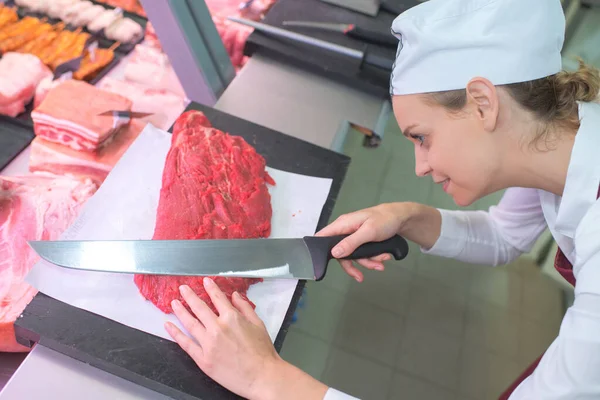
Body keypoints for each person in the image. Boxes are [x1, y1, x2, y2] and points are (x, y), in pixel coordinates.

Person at [163, 0, 600, 398]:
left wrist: (266, 379)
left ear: (484, 103)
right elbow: (506, 235)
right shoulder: (561, 136)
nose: (419, 167)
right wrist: (405, 216)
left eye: (422, 138)